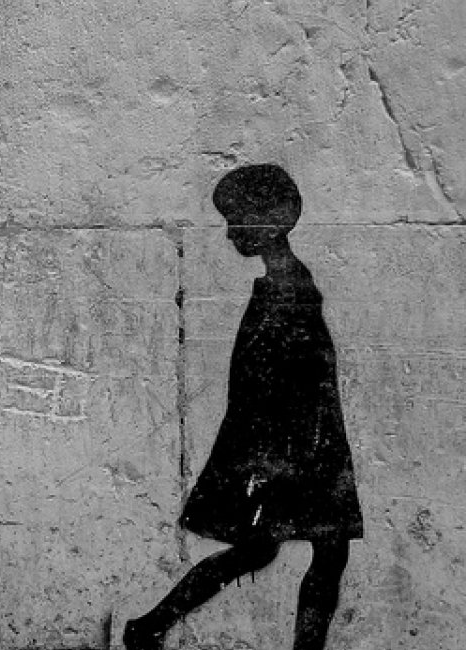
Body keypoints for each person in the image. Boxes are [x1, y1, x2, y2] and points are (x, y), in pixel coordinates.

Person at [124, 164, 363, 650]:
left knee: (282, 550)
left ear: (273, 222)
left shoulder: (288, 288)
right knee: (293, 551)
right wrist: (267, 461)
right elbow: (259, 386)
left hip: (303, 444)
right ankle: (150, 626)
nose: (232, 231)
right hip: (299, 446)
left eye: (240, 219)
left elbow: (280, 381)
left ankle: (149, 626)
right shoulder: (285, 288)